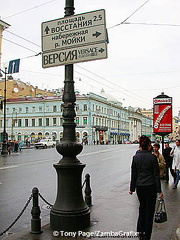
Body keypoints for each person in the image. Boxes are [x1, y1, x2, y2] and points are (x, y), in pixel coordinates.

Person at [129, 135, 163, 240]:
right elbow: (156, 175)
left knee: (142, 208)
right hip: (151, 186)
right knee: (149, 211)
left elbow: (133, 174)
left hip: (140, 186)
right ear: (149, 145)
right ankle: (147, 235)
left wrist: (132, 188)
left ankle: (140, 233)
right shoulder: (152, 157)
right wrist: (159, 191)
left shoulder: (135, 157)